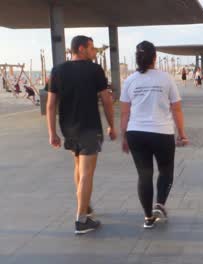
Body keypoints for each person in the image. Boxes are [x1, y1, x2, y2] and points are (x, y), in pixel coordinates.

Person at [46, 35, 116, 235]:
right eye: (91, 48)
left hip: (68, 128)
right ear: (82, 48)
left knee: (78, 167)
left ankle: (85, 206)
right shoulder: (94, 70)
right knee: (87, 172)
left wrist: (52, 133)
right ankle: (81, 220)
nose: (94, 52)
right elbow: (107, 100)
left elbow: (51, 105)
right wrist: (112, 126)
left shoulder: (58, 70)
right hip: (89, 127)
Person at [120, 41, 189, 229]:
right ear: (154, 58)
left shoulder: (130, 80)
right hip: (162, 133)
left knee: (144, 175)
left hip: (136, 133)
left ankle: (147, 218)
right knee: (166, 170)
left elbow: (125, 112)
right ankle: (159, 204)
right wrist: (182, 134)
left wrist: (123, 136)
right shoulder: (165, 79)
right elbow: (177, 109)